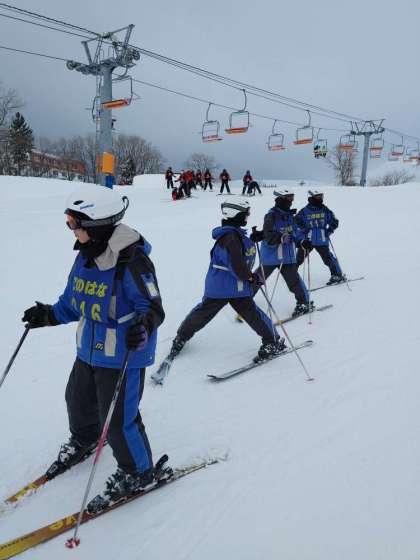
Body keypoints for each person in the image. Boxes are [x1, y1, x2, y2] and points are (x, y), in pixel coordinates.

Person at [21, 185, 166, 513]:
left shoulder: (132, 261)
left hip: (122, 354)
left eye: (74, 223)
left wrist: (143, 326)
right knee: (77, 401)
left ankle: (138, 472)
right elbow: (73, 302)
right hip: (88, 349)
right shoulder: (86, 256)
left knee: (119, 420)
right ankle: (85, 439)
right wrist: (48, 315)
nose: (71, 229)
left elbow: (153, 307)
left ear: (96, 224)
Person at [167, 200, 285, 363]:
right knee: (251, 314)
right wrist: (251, 278)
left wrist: (254, 238)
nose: (247, 216)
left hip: (223, 287)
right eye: (245, 214)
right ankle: (272, 341)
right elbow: (237, 265)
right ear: (235, 215)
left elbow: (241, 252)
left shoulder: (233, 235)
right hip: (231, 286)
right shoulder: (230, 238)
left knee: (203, 313)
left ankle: (181, 336)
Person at [251, 189, 313, 317]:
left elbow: (296, 233)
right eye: (289, 198)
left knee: (294, 281)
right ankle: (244, 301)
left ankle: (304, 303)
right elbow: (268, 235)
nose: (291, 201)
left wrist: (302, 241)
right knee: (258, 279)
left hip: (287, 257)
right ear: (281, 199)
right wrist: (281, 238)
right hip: (270, 256)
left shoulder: (290, 216)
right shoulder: (271, 216)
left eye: (292, 197)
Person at [296, 190, 345, 285]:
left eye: (321, 196)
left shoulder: (325, 210)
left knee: (328, 259)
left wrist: (329, 230)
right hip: (308, 240)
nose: (320, 198)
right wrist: (303, 231)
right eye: (318, 196)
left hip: (321, 240)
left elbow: (334, 221)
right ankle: (291, 276)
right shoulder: (304, 211)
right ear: (312, 197)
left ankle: (337, 275)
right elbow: (296, 223)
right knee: (298, 259)